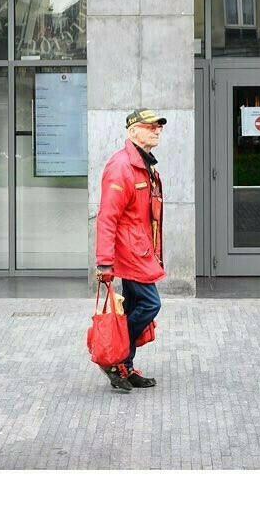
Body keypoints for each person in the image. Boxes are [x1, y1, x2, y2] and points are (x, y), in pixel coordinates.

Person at [94, 108, 166, 392]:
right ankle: (115, 359)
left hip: (141, 251)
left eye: (159, 127)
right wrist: (104, 263)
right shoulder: (121, 166)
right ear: (133, 131)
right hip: (129, 254)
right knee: (150, 304)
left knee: (136, 307)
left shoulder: (144, 164)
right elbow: (107, 217)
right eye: (150, 127)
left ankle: (123, 365)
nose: (157, 130)